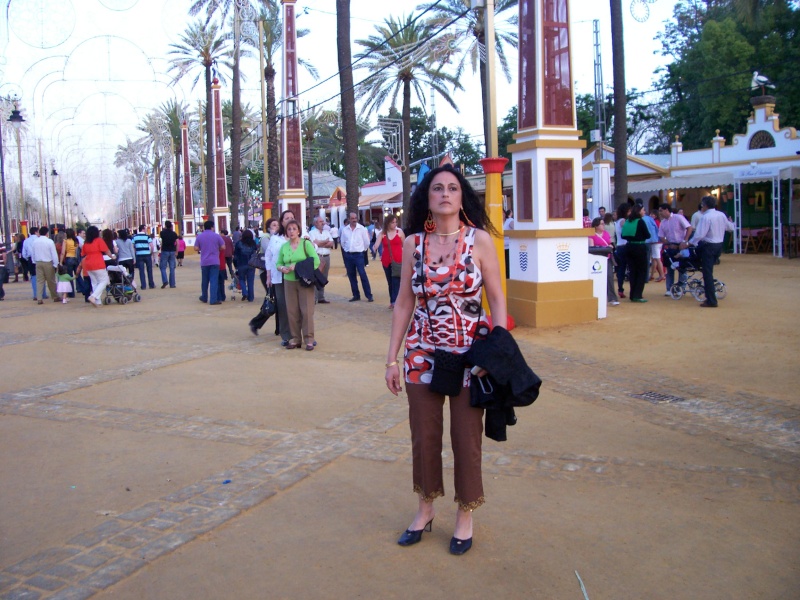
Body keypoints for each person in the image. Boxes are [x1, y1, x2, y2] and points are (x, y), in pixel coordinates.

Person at [384, 164, 507, 556]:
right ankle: (424, 510)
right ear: (427, 197)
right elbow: (404, 301)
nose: (445, 194)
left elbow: (498, 299)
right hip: (422, 351)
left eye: (453, 188)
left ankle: (465, 515)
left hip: (471, 352)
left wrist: (497, 351)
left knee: (466, 437)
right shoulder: (412, 244)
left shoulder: (480, 241)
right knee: (424, 434)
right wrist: (391, 358)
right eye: (437, 188)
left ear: (461, 196)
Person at [276, 220, 320, 350]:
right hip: (289, 281)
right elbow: (278, 263)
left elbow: (315, 261)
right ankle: (295, 338)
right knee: (292, 310)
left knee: (306, 310)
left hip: (303, 280)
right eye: (289, 229)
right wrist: (281, 268)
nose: (291, 231)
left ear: (299, 231)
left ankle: (309, 339)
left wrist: (298, 266)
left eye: (294, 229)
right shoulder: (284, 247)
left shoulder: (306, 244)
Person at [690, 195, 734, 308]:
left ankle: (711, 300)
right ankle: (710, 296)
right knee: (708, 271)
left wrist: (689, 243)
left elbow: (699, 234)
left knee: (707, 272)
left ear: (704, 205)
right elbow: (730, 228)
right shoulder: (721, 215)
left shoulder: (706, 217)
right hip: (718, 246)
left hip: (708, 246)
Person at [265, 210, 296, 346]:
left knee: (296, 306)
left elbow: (312, 247)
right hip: (279, 276)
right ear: (281, 222)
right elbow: (269, 256)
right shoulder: (275, 239)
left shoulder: (300, 236)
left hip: (296, 276)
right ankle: (286, 335)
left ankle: (299, 334)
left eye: (292, 218)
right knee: (283, 306)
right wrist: (268, 275)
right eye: (286, 218)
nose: (289, 220)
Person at [657, 203, 693, 297]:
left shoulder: (678, 218)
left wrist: (685, 241)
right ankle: (669, 288)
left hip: (681, 245)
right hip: (671, 247)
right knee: (670, 268)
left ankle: (681, 287)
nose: (660, 213)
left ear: (666, 210)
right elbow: (661, 236)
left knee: (682, 268)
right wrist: (668, 244)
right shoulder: (663, 222)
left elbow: (689, 228)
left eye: (661, 210)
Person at [372, 214, 405, 308]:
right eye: (392, 222)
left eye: (396, 222)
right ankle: (393, 300)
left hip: (398, 259)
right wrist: (373, 248)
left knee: (396, 280)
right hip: (386, 260)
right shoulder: (383, 233)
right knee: (390, 281)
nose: (395, 224)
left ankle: (395, 301)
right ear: (388, 223)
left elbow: (405, 245)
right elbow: (376, 244)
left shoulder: (400, 232)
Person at [340, 212, 374, 302]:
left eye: (355, 218)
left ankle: (369, 295)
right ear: (349, 219)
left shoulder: (362, 229)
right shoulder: (345, 230)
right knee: (351, 276)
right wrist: (347, 250)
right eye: (352, 218)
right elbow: (342, 242)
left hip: (359, 255)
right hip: (348, 255)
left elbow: (367, 242)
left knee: (362, 274)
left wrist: (363, 250)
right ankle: (356, 295)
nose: (354, 220)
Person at [620, 204, 650, 303]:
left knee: (632, 271)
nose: (644, 212)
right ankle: (638, 294)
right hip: (639, 247)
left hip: (629, 247)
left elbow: (623, 235)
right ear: (639, 211)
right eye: (643, 210)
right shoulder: (640, 221)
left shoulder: (628, 221)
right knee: (641, 271)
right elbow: (647, 235)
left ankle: (633, 294)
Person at [589, 217, 620, 306]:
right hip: (597, 260)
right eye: (601, 224)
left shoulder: (606, 233)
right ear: (596, 226)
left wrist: (610, 246)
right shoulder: (592, 235)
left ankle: (612, 298)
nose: (603, 226)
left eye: (603, 224)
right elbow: (592, 248)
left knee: (610, 277)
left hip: (607, 258)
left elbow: (609, 243)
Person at [81, 225, 114, 307]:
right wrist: (112, 257)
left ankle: (98, 301)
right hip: (98, 263)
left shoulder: (86, 243)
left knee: (94, 282)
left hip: (88, 264)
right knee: (104, 280)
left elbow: (83, 253)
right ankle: (93, 296)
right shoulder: (99, 240)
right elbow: (106, 251)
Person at [194, 220, 225, 305]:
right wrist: (216, 249)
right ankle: (213, 299)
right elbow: (223, 247)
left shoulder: (200, 236)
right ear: (212, 227)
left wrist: (202, 248)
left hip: (204, 261)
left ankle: (204, 297)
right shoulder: (217, 236)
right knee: (214, 280)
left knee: (204, 280)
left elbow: (196, 248)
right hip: (215, 261)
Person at [30, 226, 59, 304]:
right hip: (48, 262)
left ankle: (39, 298)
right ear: (47, 233)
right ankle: (55, 296)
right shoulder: (49, 241)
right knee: (51, 280)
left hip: (38, 262)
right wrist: (56, 264)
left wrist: (34, 261)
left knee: (39, 281)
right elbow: (54, 254)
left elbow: (33, 253)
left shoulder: (35, 241)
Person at [308, 216, 334, 304]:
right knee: (316, 277)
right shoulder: (312, 233)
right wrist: (325, 242)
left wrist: (320, 243)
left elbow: (331, 243)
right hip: (317, 256)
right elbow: (314, 244)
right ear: (315, 223)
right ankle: (314, 297)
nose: (323, 223)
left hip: (327, 256)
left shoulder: (327, 232)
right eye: (320, 221)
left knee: (324, 277)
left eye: (323, 221)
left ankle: (321, 297)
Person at [234, 229, 258, 302]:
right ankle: (251, 297)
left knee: (241, 279)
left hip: (241, 264)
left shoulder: (238, 243)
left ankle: (244, 292)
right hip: (251, 264)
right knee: (250, 281)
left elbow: (235, 256)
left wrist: (235, 265)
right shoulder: (253, 243)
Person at [59, 228, 81, 298]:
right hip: (75, 258)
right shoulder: (76, 241)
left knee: (69, 276)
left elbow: (63, 252)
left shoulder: (65, 241)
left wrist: (60, 262)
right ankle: (84, 289)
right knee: (78, 275)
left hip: (69, 258)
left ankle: (71, 293)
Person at [614, 204, 630, 299]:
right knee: (625, 268)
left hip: (619, 246)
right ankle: (621, 289)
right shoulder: (623, 221)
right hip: (624, 245)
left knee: (621, 269)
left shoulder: (617, 221)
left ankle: (620, 289)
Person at [259, 218, 278, 294]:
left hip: (276, 269)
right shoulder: (265, 238)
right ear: (268, 228)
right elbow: (270, 251)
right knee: (270, 293)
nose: (277, 227)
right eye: (274, 225)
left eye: (278, 225)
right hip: (265, 269)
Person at [159, 220, 179, 288]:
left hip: (165, 251)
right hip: (172, 251)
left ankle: (165, 280)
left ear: (165, 225)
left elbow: (161, 241)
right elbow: (177, 243)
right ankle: (172, 284)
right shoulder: (174, 234)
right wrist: (176, 251)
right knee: (172, 268)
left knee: (163, 267)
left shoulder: (162, 233)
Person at [503, 209, 514, 279]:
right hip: (500, 247)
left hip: (509, 247)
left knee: (508, 265)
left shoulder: (509, 221)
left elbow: (516, 228)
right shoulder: (496, 222)